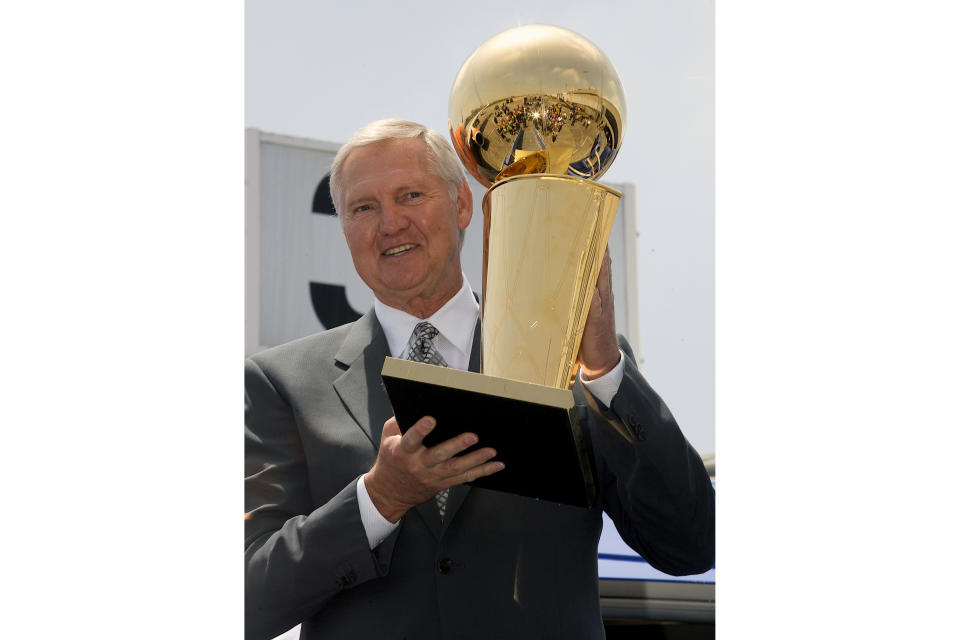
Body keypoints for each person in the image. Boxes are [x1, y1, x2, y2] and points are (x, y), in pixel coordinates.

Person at [245, 119, 714, 640]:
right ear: (346, 230)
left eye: (410, 195)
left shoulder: (567, 360)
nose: (390, 223)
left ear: (463, 205)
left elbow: (692, 543)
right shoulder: (280, 383)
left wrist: (605, 370)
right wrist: (377, 499)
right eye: (364, 208)